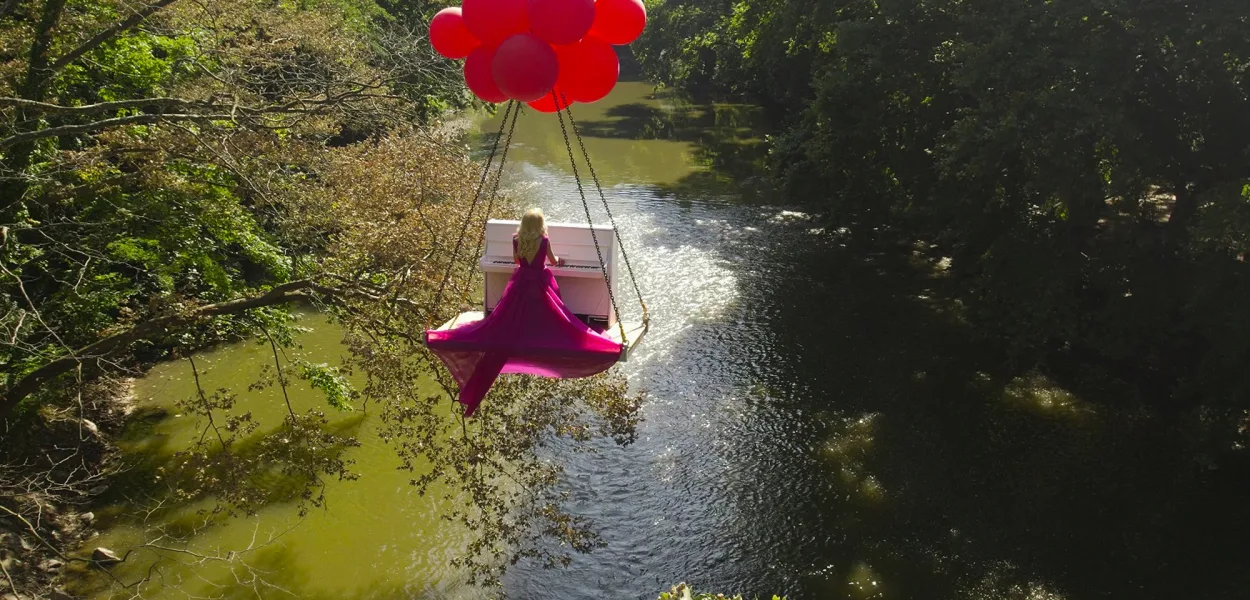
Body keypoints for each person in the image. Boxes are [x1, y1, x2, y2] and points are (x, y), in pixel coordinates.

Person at [425, 207, 623, 416]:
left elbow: (516, 262)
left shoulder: (516, 239)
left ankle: (525, 326)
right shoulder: (544, 241)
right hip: (539, 280)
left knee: (512, 308)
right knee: (553, 306)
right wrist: (559, 263)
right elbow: (553, 262)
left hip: (521, 279)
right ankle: (542, 328)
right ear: (540, 225)